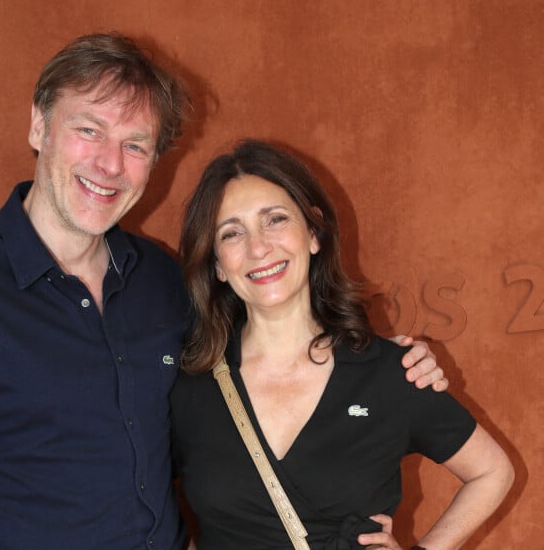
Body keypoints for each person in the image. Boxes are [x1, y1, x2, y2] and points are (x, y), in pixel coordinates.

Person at [0, 34, 446, 550]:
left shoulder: (163, 281)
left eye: (135, 145)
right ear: (39, 125)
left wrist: (386, 363)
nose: (109, 164)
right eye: (89, 130)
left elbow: (275, 349)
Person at [171, 140, 514, 549]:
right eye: (232, 233)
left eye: (275, 220)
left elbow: (493, 471)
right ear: (218, 266)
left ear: (314, 234)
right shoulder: (189, 385)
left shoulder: (390, 372)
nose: (258, 247)